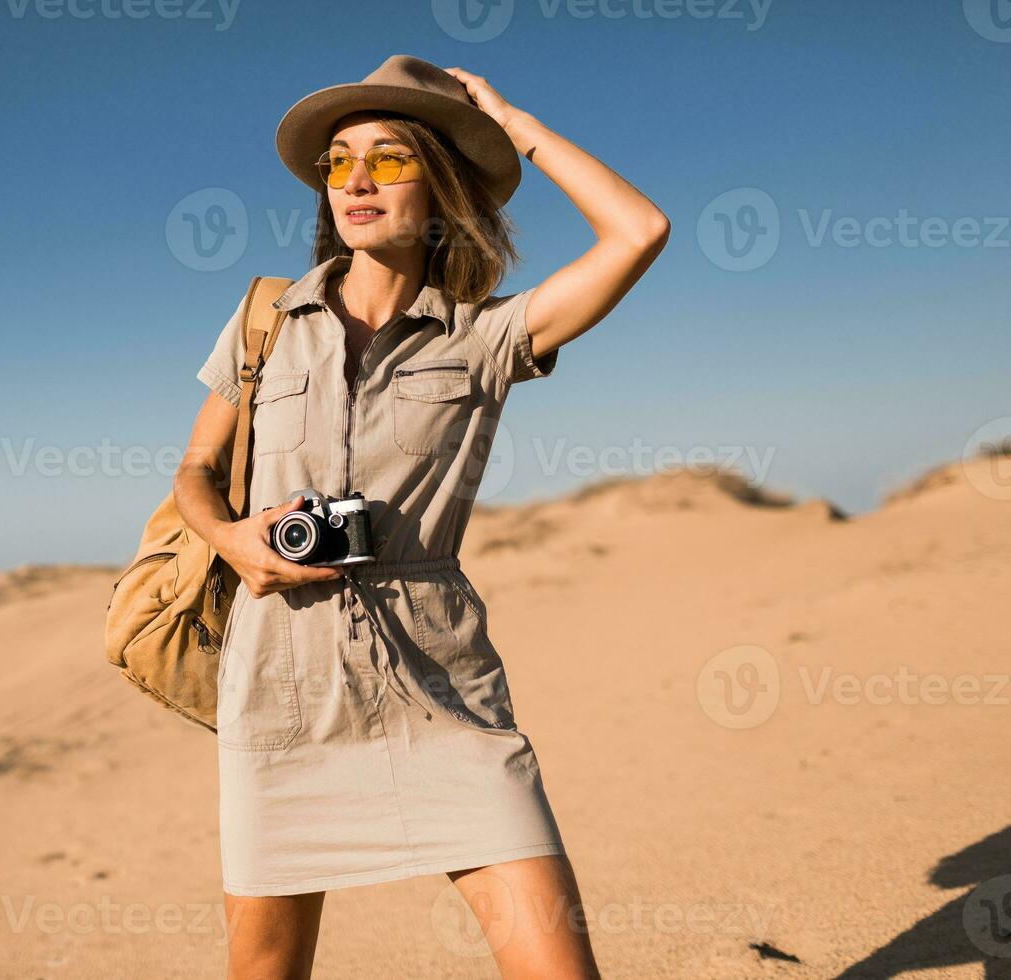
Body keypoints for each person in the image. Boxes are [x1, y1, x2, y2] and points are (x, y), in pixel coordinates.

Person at [172, 54, 668, 980]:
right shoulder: (265, 322)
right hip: (283, 688)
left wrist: (509, 126)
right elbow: (195, 470)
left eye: (391, 159)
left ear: (443, 188)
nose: (356, 180)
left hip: (440, 686)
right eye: (339, 161)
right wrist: (235, 539)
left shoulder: (483, 336)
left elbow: (638, 230)